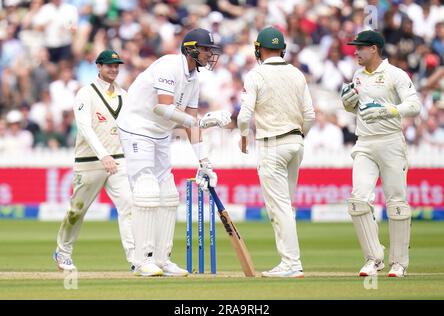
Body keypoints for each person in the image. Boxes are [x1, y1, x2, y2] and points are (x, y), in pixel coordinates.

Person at [117, 28, 231, 277]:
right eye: (206, 49)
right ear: (191, 48)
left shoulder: (193, 79)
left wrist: (205, 162)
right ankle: (142, 260)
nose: (210, 54)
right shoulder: (169, 65)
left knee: (168, 194)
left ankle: (162, 259)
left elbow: (191, 121)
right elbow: (162, 108)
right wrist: (199, 122)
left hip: (159, 134)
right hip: (137, 128)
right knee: (147, 189)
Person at [341, 30, 421, 277]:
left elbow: (415, 105)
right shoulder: (357, 75)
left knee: (396, 203)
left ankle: (399, 263)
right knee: (358, 201)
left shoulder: (395, 74)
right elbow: (353, 106)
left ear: (374, 48)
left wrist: (389, 111)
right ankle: (373, 259)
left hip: (390, 143)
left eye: (360, 48)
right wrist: (347, 102)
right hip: (364, 142)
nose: (355, 52)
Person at [237, 26, 316, 278]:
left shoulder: (256, 74)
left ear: (259, 49)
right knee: (287, 206)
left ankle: (291, 263)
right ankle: (290, 262)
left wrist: (242, 135)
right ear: (282, 49)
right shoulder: (297, 74)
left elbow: (244, 115)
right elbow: (310, 116)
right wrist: (299, 135)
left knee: (279, 207)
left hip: (272, 144)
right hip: (296, 142)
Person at [54, 50, 135, 271]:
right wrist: (103, 155)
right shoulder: (85, 94)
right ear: (98, 67)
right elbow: (85, 127)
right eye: (109, 65)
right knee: (76, 211)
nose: (114, 69)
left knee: (129, 205)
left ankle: (135, 259)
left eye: (116, 66)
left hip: (118, 160)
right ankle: (63, 253)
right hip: (89, 160)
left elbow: (129, 128)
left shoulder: (124, 95)